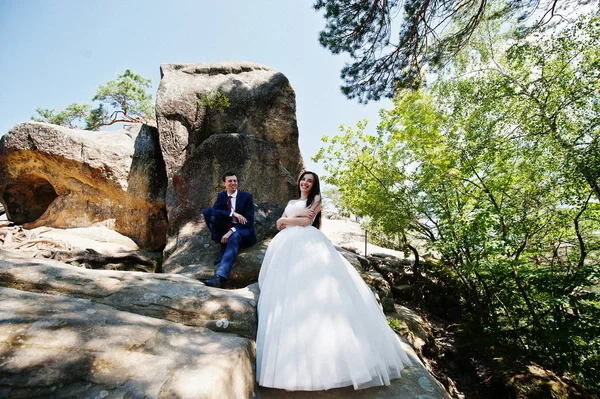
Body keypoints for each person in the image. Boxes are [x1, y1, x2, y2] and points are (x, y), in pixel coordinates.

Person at [256, 171, 413, 391]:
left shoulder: (317, 199)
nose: (305, 183)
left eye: (309, 181)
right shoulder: (293, 201)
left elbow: (307, 220)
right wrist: (287, 221)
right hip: (285, 245)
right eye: (303, 179)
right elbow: (281, 225)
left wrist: (285, 220)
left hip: (307, 242)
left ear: (313, 185)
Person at [202, 172, 256, 288]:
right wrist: (232, 213)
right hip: (226, 228)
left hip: (242, 231)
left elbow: (249, 222)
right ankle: (223, 243)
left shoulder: (246, 197)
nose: (233, 183)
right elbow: (215, 211)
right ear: (224, 183)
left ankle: (219, 277)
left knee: (235, 236)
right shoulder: (221, 196)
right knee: (207, 212)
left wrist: (231, 231)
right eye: (230, 181)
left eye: (235, 181)